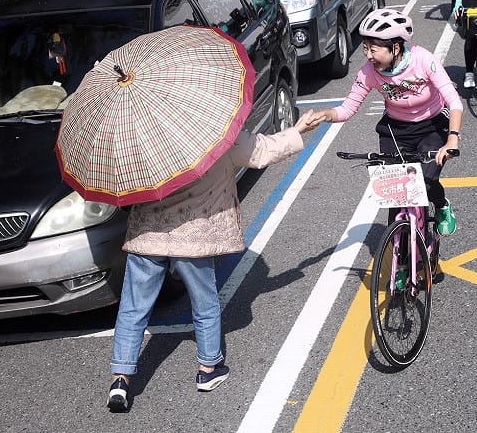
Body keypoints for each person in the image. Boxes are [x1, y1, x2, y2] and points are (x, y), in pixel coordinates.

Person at [106, 110, 321, 412]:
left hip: (148, 235)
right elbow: (262, 151)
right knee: (204, 302)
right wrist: (298, 128)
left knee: (133, 308)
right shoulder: (216, 136)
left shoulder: (141, 141)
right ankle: (208, 369)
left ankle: (121, 379)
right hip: (193, 237)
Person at [313, 8, 463, 235]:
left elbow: (454, 101)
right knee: (394, 194)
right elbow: (347, 108)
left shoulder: (423, 60)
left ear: (395, 47)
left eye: (373, 49)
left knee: (426, 180)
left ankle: (442, 205)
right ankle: (399, 262)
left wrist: (452, 139)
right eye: (365, 48)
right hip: (395, 130)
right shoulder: (369, 72)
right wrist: (323, 115)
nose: (368, 55)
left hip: (432, 125)